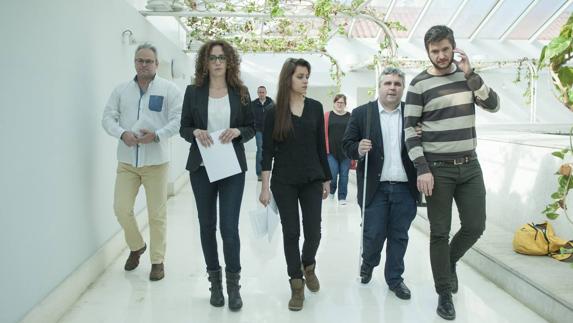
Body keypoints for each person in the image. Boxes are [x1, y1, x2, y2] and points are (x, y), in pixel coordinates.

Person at [404, 25, 500, 321]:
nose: (441, 55)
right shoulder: (418, 85)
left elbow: (493, 105)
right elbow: (410, 131)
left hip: (470, 166)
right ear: (427, 52)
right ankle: (444, 293)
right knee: (439, 232)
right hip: (438, 170)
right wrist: (423, 168)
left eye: (446, 49)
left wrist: (471, 75)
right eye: (435, 51)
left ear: (454, 47)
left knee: (475, 225)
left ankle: (450, 261)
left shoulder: (466, 78)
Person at [179, 40, 254, 311]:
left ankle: (234, 286)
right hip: (202, 167)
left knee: (229, 228)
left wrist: (237, 132)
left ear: (229, 61)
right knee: (207, 226)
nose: (218, 62)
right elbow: (183, 127)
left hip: (232, 167)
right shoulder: (193, 92)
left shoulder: (241, 92)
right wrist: (195, 133)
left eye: (222, 57)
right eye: (212, 58)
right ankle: (215, 283)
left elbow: (251, 126)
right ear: (205, 62)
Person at [102, 43, 182, 281]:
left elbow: (178, 120)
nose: (144, 64)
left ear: (157, 64)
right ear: (134, 62)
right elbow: (107, 117)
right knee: (121, 208)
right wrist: (121, 133)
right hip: (127, 161)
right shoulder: (121, 91)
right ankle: (137, 246)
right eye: (140, 60)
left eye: (148, 61)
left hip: (156, 163)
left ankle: (157, 261)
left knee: (157, 215)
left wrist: (156, 135)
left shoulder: (170, 90)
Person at [258, 58, 332, 311]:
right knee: (291, 233)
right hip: (284, 181)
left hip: (312, 178)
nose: (305, 81)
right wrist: (264, 187)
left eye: (307, 77)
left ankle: (308, 264)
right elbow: (266, 152)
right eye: (300, 76)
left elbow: (321, 147)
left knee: (314, 232)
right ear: (288, 78)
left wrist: (326, 178)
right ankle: (296, 283)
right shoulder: (273, 113)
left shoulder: (315, 108)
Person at [342, 67, 420, 301]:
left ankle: (395, 279)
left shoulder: (412, 114)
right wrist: (358, 149)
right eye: (388, 83)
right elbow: (346, 145)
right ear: (379, 86)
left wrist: (422, 134)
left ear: (402, 88)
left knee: (399, 236)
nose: (392, 88)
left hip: (405, 187)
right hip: (375, 188)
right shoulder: (361, 113)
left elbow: (422, 144)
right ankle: (369, 262)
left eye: (397, 83)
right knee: (373, 234)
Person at [325, 94, 351, 205]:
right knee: (333, 174)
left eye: (342, 103)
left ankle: (342, 197)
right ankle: (331, 192)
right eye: (338, 102)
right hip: (331, 151)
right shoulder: (327, 115)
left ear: (345, 104)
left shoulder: (350, 116)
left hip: (346, 152)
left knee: (344, 175)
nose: (340, 104)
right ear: (334, 103)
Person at [252, 86, 274, 181]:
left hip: (270, 130)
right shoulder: (253, 104)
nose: (261, 94)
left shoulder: (271, 104)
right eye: (259, 92)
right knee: (260, 150)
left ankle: (268, 171)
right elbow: (250, 117)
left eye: (263, 92)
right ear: (257, 93)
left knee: (270, 150)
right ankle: (259, 173)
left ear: (266, 93)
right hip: (258, 131)